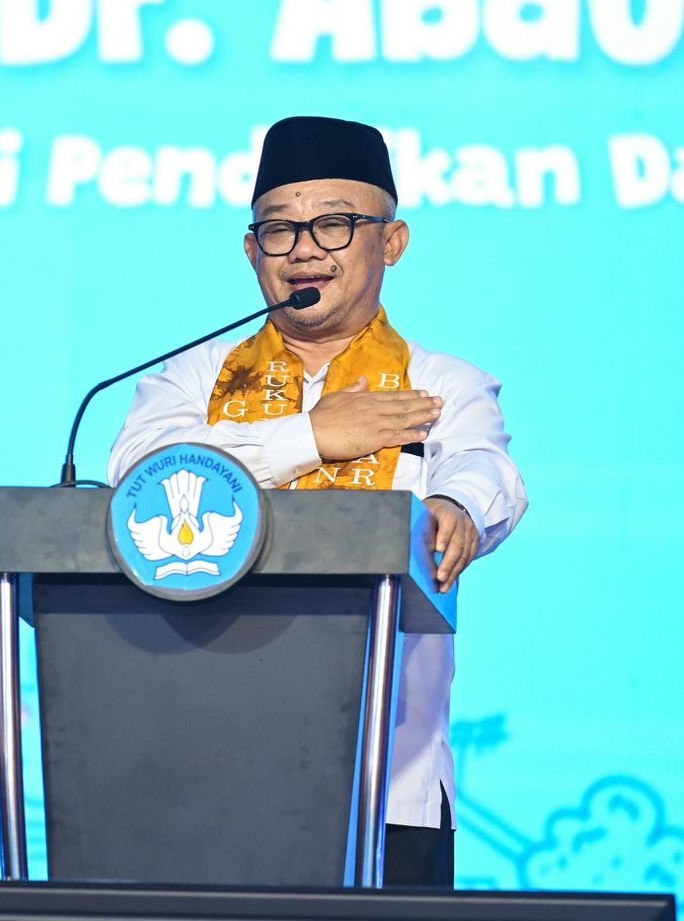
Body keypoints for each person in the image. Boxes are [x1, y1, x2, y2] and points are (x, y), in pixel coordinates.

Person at [108, 115, 528, 887]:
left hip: (388, 785)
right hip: (192, 780)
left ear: (391, 243)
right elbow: (142, 475)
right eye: (279, 230)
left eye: (334, 225)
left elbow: (484, 469)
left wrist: (458, 508)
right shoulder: (191, 379)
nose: (304, 249)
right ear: (252, 251)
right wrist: (312, 436)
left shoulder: (441, 383)